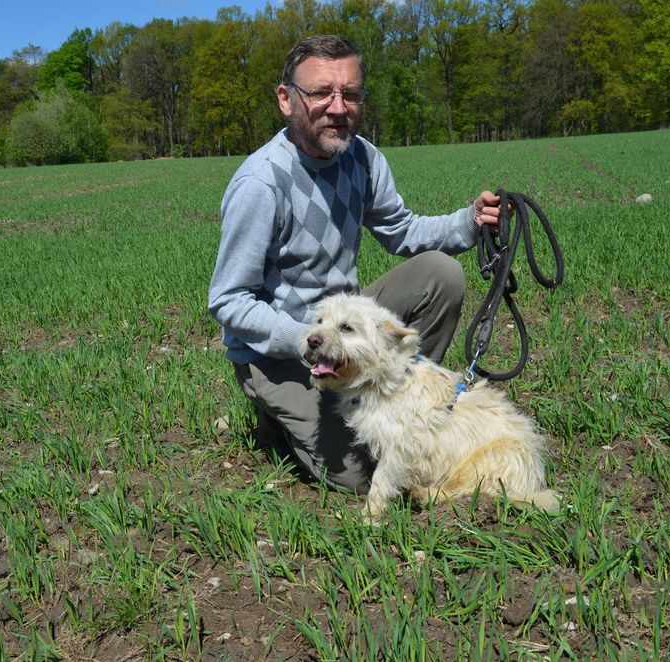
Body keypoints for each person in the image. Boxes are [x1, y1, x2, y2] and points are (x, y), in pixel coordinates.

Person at [208, 34, 504, 494]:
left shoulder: (362, 158)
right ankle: (277, 415)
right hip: (280, 351)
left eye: (350, 93)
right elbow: (229, 300)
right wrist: (306, 341)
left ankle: (403, 416)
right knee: (362, 476)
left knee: (440, 274)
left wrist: (471, 222)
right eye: (321, 93)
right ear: (287, 100)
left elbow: (402, 231)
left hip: (342, 330)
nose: (338, 107)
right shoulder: (261, 184)